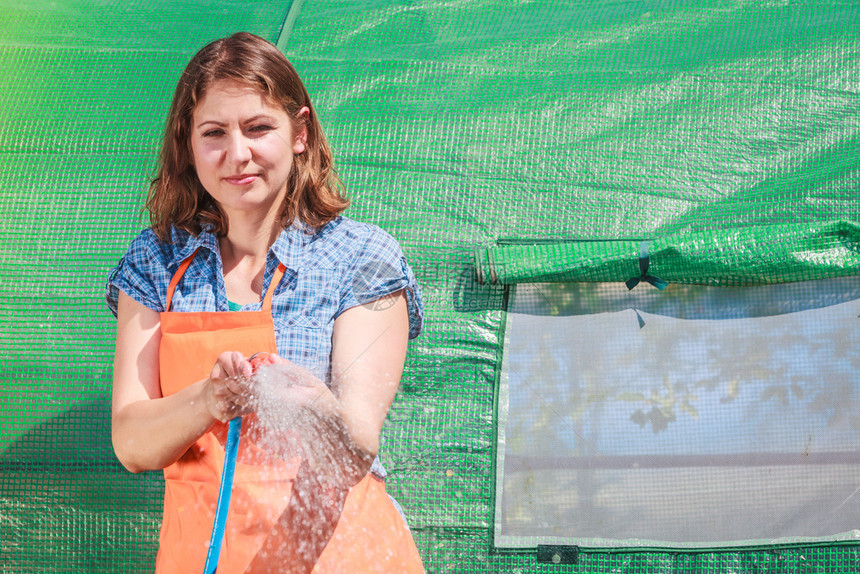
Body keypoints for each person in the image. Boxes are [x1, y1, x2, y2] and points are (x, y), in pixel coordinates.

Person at [106, 31, 425, 573]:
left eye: (258, 128)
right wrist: (210, 400)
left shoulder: (361, 258)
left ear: (300, 132)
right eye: (214, 132)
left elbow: (354, 451)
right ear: (188, 141)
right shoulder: (157, 261)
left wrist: (315, 406)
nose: (237, 154)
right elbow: (133, 441)